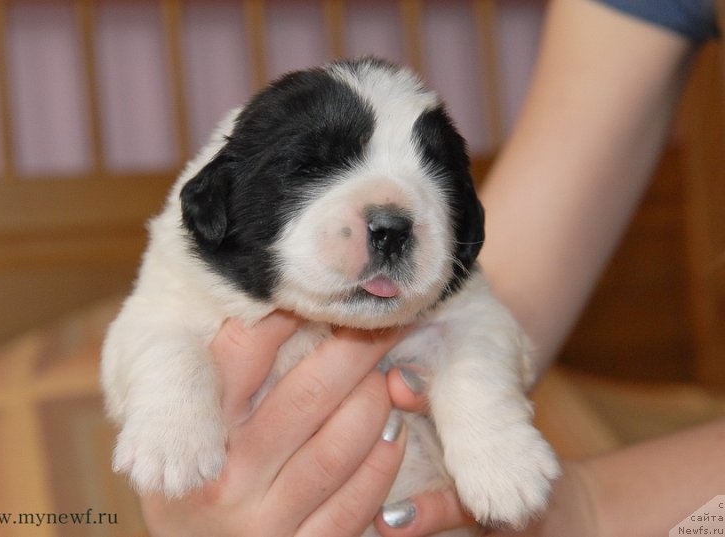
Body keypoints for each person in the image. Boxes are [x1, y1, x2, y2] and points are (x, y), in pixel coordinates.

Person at [139, 0, 725, 535]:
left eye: (433, 184)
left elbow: (479, 317)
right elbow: (149, 335)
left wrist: (528, 461)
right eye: (310, 169)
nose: (388, 223)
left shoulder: (446, 278)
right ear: (219, 200)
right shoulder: (187, 269)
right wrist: (175, 409)